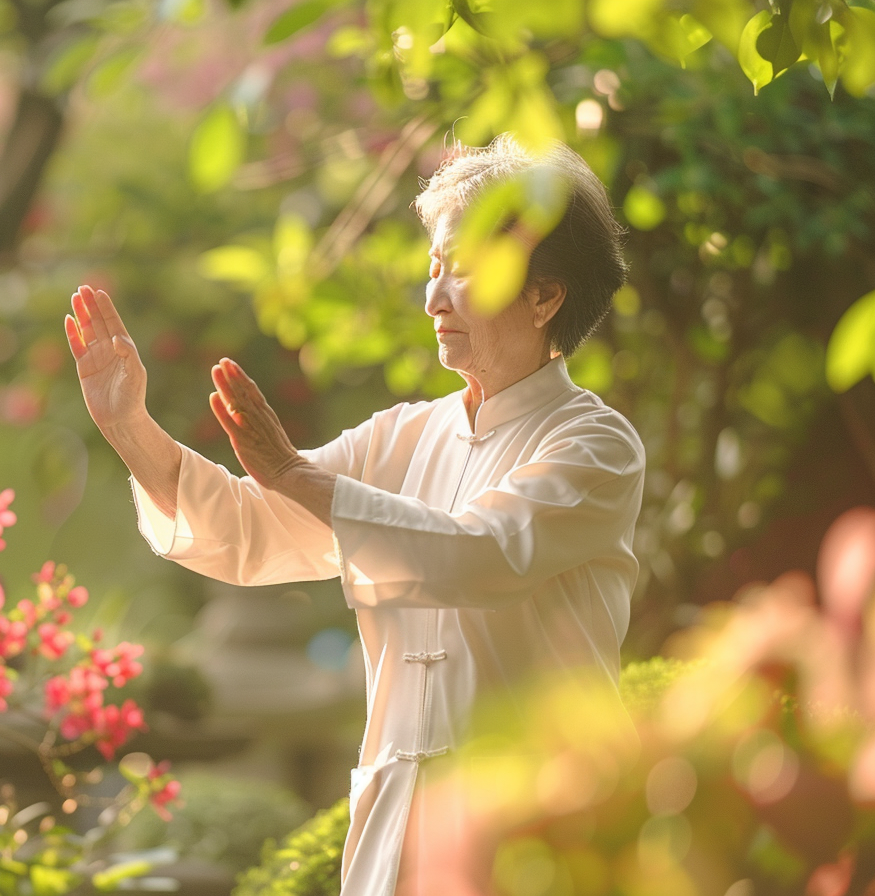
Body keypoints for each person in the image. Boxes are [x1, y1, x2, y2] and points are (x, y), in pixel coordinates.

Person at [64, 134, 644, 895]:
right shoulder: (401, 434)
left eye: (462, 271)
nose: (433, 299)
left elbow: (481, 555)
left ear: (545, 294)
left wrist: (298, 476)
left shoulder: (596, 444)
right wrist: (131, 428)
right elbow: (249, 529)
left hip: (538, 830)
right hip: (398, 834)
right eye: (433, 269)